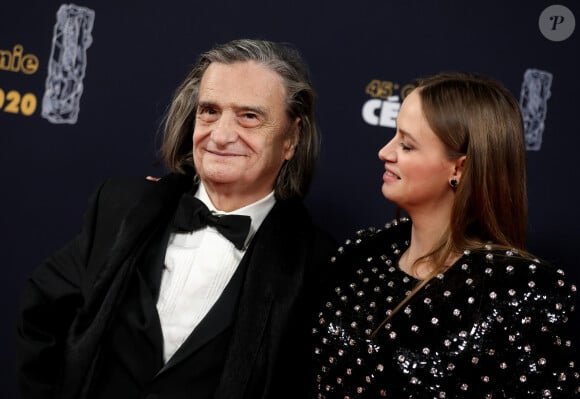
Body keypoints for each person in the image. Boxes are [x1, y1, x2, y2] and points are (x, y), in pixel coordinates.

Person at [16, 38, 336, 399]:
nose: (222, 134)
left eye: (249, 116)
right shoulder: (122, 206)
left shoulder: (316, 264)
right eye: (210, 111)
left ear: (291, 139)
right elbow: (42, 315)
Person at [312, 72, 579, 398]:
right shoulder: (360, 253)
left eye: (407, 145)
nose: (385, 152)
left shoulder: (520, 292)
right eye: (394, 136)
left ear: (459, 169)